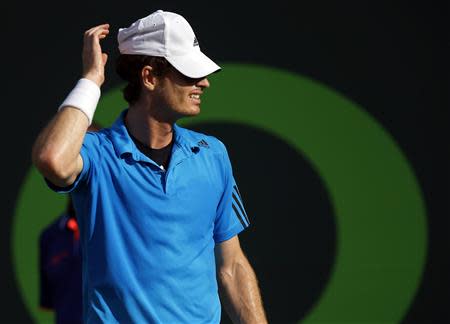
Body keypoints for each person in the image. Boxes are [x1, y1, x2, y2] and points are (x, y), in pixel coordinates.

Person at [32, 9, 267, 324]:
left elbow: (232, 266)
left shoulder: (212, 154)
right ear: (150, 77)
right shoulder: (97, 153)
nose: (204, 82)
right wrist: (90, 81)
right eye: (188, 72)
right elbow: (52, 159)